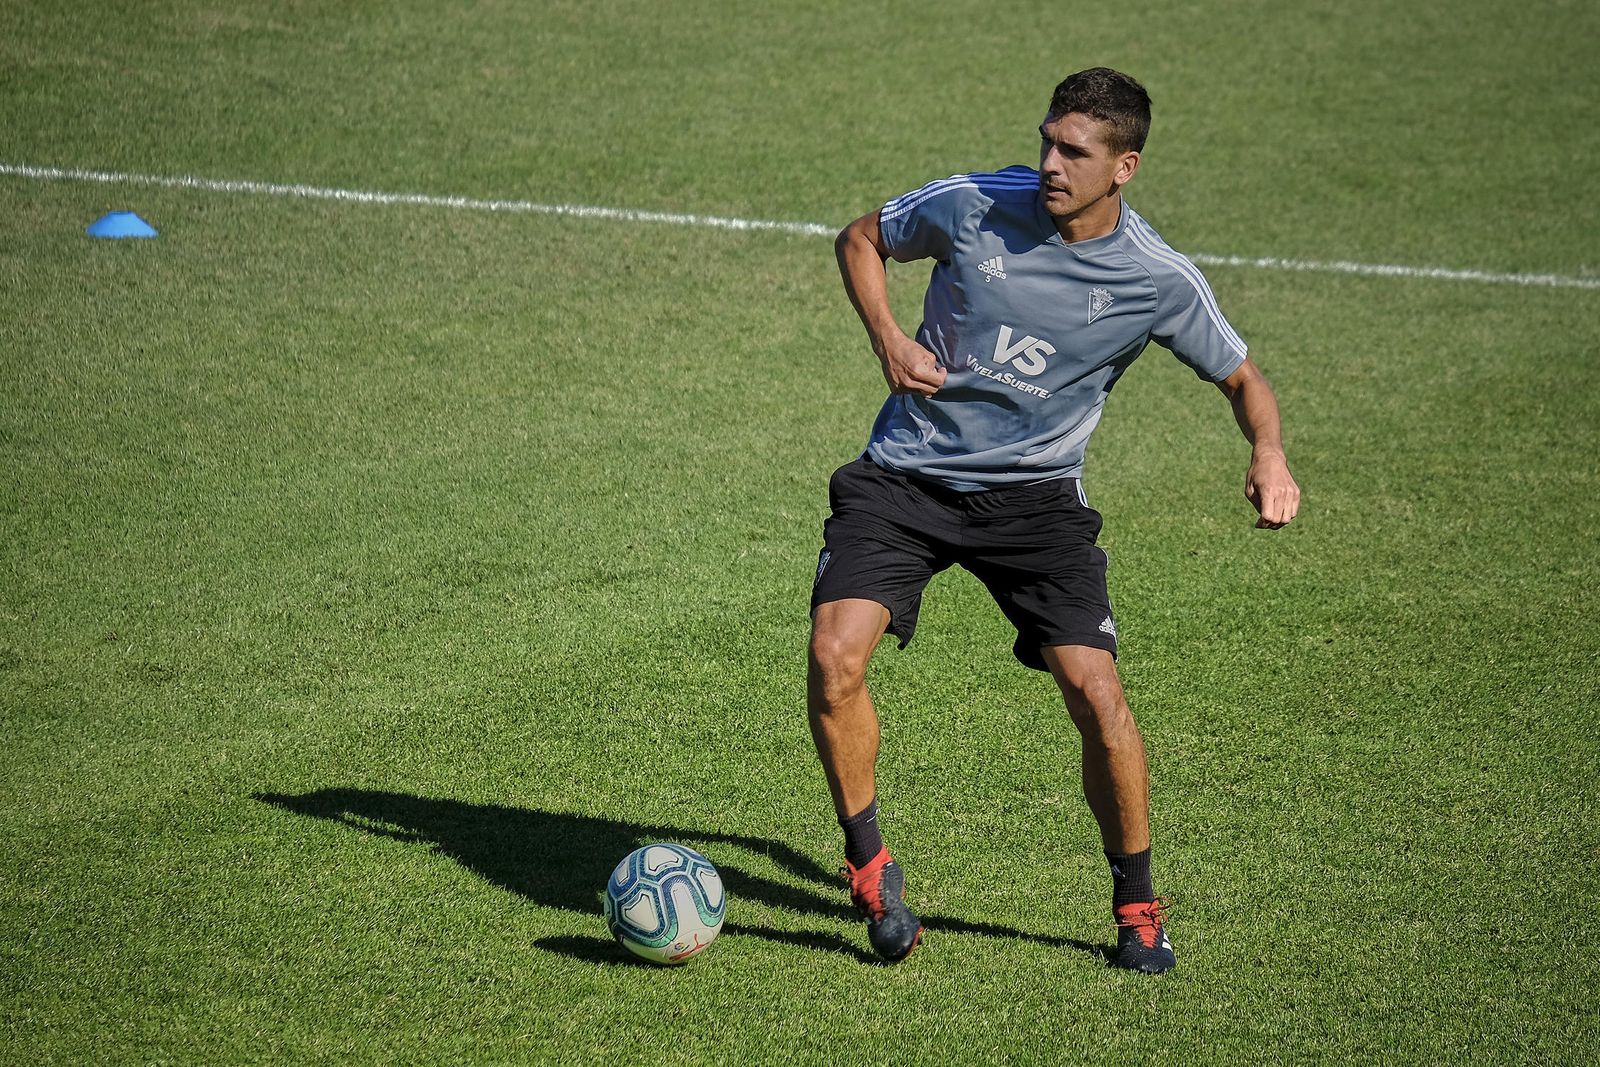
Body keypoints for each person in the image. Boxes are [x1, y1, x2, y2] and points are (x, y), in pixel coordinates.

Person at [809, 67, 1300, 973]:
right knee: (834, 659)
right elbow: (861, 238)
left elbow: (1243, 379)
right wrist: (887, 334)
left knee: (1097, 695)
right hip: (907, 477)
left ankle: (1138, 902)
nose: (1048, 164)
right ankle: (871, 864)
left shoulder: (1155, 279)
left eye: (1073, 151)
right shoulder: (973, 205)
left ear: (1125, 166)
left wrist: (1266, 453)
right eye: (1046, 141)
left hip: (1035, 503)